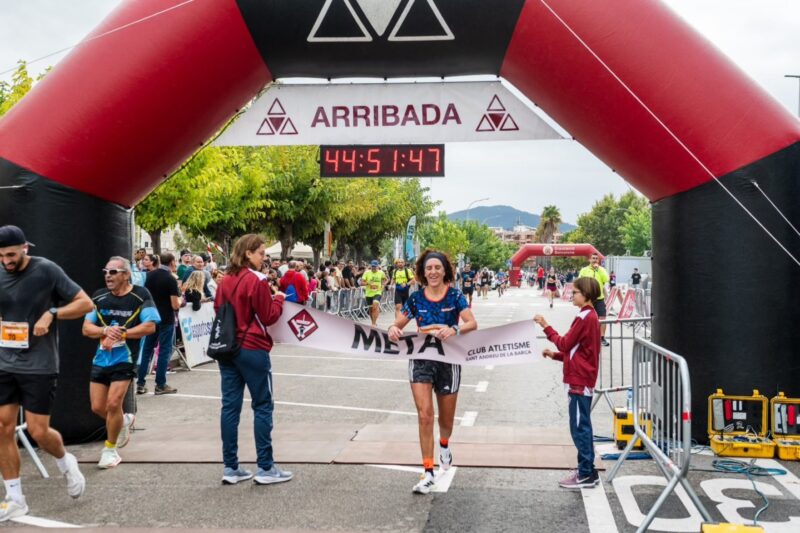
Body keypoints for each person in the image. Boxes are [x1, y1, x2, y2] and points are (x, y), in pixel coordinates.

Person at [0, 225, 92, 520]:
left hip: (39, 364)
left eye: (11, 255)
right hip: (4, 361)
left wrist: (52, 314)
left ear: (25, 248)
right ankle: (14, 497)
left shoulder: (46, 270)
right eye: (1, 256)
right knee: (2, 427)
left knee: (39, 432)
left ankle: (66, 463)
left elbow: (85, 303)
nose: (6, 261)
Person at [388, 250, 477, 494]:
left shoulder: (455, 295)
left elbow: (472, 323)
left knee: (446, 420)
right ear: (422, 272)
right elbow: (398, 324)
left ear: (445, 270)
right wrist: (392, 328)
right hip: (421, 360)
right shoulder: (416, 299)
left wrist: (455, 329)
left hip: (449, 360)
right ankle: (428, 471)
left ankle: (445, 445)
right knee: (425, 415)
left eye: (437, 267)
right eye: (429, 268)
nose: (433, 272)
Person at [214, 234, 292, 486]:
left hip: (227, 347)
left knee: (229, 407)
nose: (264, 258)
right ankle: (266, 467)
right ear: (248, 253)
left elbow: (218, 309)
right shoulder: (256, 281)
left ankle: (231, 466)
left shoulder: (225, 280)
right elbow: (269, 316)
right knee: (262, 405)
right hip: (252, 346)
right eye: (261, 253)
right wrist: (279, 298)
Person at [82, 257, 159, 468]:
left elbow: (150, 326)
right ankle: (124, 421)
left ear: (126, 274)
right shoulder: (99, 296)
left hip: (126, 358)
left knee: (113, 403)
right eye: (106, 271)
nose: (108, 275)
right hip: (101, 358)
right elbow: (86, 328)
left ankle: (110, 450)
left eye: (114, 272)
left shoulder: (141, 295)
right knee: (98, 407)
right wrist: (105, 330)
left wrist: (122, 334)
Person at [533, 277, 601, 489]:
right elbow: (577, 352)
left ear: (587, 295)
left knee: (579, 427)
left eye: (576, 293)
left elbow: (566, 343)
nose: (573, 296)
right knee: (582, 426)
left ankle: (585, 473)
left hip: (579, 381)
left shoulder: (584, 318)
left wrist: (546, 326)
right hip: (581, 377)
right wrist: (555, 356)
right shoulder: (589, 316)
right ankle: (587, 469)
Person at [137, 252, 181, 395]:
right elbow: (175, 305)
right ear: (172, 262)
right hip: (166, 319)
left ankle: (140, 382)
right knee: (164, 350)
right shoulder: (170, 279)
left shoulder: (149, 276)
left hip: (151, 317)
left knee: (147, 350)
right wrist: (180, 301)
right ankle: (160, 384)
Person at [579, 253, 610, 346]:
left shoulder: (601, 270)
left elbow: (606, 279)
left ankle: (602, 337)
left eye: (596, 258)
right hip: (588, 298)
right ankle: (586, 337)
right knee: (586, 318)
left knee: (603, 318)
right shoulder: (584, 270)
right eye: (593, 258)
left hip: (599, 298)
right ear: (589, 260)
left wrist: (598, 270)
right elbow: (579, 281)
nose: (595, 260)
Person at [361, 260, 386, 327]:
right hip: (369, 293)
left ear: (377, 266)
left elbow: (384, 280)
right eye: (372, 266)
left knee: (375, 305)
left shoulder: (381, 273)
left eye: (375, 266)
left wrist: (383, 286)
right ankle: (373, 322)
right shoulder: (366, 273)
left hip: (378, 292)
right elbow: (361, 283)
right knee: (370, 309)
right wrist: (368, 283)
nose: (373, 267)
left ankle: (374, 323)